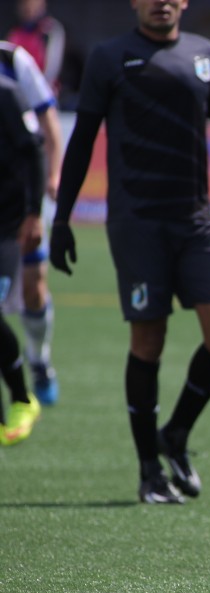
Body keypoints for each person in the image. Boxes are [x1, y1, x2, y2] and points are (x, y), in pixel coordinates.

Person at [48, 0, 210, 504]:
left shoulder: (205, 56)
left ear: (184, 2)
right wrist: (61, 218)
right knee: (149, 342)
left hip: (195, 222)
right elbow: (82, 142)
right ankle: (148, 471)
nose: (161, 2)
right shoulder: (108, 57)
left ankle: (177, 433)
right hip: (136, 224)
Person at [0, 39, 62, 405]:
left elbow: (47, 117)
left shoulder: (11, 58)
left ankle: (39, 361)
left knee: (33, 285)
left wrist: (52, 176)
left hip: (22, 196)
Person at [0, 76, 44, 446]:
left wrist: (34, 212)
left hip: (5, 225)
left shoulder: (6, 92)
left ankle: (20, 397)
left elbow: (33, 152)